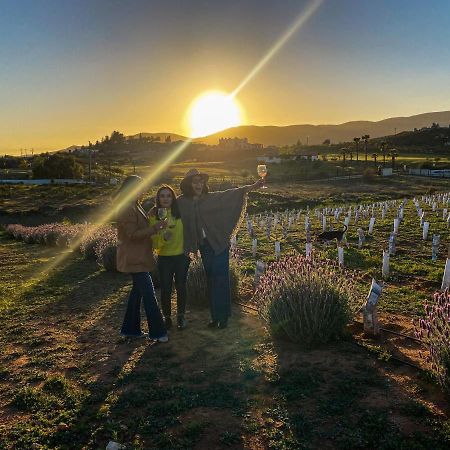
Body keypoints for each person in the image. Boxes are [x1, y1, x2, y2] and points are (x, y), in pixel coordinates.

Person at [177, 169, 262, 329]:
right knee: (211, 281)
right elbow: (165, 205)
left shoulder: (210, 198)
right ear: (188, 184)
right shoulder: (182, 202)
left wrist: (253, 186)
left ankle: (223, 318)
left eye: (201, 181)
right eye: (195, 181)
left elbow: (230, 194)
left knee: (221, 280)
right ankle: (215, 317)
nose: (199, 184)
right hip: (204, 247)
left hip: (219, 244)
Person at [115, 175, 169, 342]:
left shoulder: (134, 205)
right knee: (149, 294)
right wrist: (154, 228)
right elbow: (132, 234)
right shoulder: (126, 207)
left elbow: (139, 226)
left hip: (138, 257)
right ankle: (158, 332)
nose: (142, 191)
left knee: (136, 294)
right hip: (134, 259)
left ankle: (130, 329)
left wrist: (152, 219)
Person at [149, 185, 190, 331]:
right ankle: (167, 318)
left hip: (181, 257)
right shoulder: (154, 216)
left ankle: (181, 317)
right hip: (164, 258)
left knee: (181, 287)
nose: (166, 199)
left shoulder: (179, 213)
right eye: (162, 196)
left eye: (169, 195)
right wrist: (164, 239)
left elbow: (189, 231)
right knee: (166, 289)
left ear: (173, 198)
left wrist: (189, 249)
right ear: (158, 199)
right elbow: (154, 243)